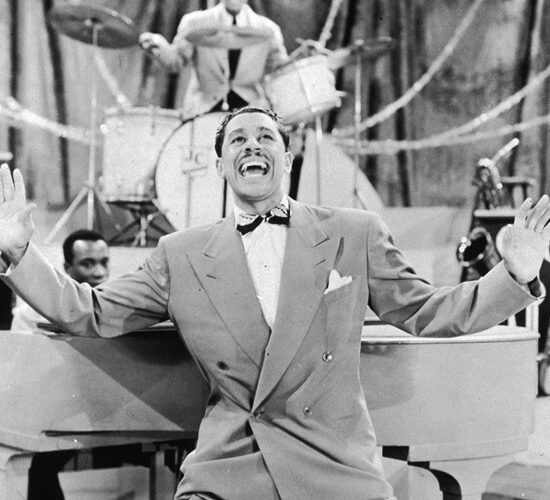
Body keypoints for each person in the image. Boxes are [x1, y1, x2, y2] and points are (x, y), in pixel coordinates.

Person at [0, 107, 549, 500]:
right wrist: (21, 252)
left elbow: (432, 313)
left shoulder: (353, 232)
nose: (252, 146)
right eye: (236, 140)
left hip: (335, 461)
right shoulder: (181, 253)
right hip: (231, 461)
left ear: (285, 157)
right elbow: (87, 312)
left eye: (265, 136)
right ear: (219, 167)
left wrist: (515, 274)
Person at [139, 0, 288, 116]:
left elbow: (280, 69)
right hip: (204, 109)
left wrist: (302, 60)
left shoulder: (268, 29)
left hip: (251, 110)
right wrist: (157, 46)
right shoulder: (194, 22)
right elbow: (175, 61)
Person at [11, 228, 110, 331]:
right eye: (87, 264)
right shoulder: (30, 315)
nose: (100, 273)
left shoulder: (120, 310)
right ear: (67, 268)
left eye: (104, 263)